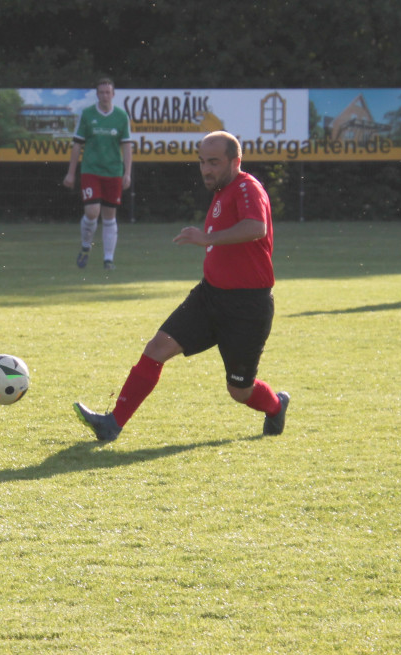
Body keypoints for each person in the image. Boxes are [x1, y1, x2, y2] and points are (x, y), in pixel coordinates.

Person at [73, 131, 289, 442]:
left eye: (214, 162)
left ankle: (276, 406)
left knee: (239, 390)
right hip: (209, 296)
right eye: (202, 162)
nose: (206, 170)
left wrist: (207, 238)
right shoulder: (222, 189)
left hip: (247, 307)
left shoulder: (247, 187)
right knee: (157, 348)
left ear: (235, 161)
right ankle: (112, 423)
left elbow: (257, 227)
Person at [62, 77, 135, 270]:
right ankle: (86, 245)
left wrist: (127, 173)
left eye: (107, 92)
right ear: (97, 94)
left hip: (113, 172)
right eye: (101, 92)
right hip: (91, 171)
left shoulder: (121, 116)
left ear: (113, 94)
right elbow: (77, 145)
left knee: (109, 215)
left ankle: (108, 259)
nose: (104, 96)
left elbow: (127, 146)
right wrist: (71, 173)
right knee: (92, 211)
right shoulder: (87, 114)